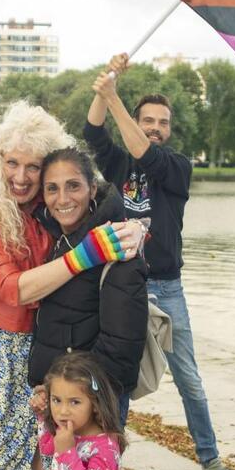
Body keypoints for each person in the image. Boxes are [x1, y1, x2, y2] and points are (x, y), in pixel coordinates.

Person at [0, 102, 144, 470]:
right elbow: (13, 289)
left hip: (57, 352)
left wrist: (135, 227)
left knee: (45, 455)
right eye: (12, 163)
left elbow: (91, 196)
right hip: (5, 345)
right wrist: (85, 256)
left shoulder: (49, 206)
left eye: (32, 167)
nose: (21, 177)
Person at [85, 54, 230, 470]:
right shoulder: (118, 164)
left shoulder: (176, 166)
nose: (155, 127)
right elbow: (92, 131)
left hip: (167, 287)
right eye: (147, 120)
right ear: (136, 119)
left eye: (163, 122)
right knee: (118, 379)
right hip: (124, 287)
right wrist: (106, 86)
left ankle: (210, 460)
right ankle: (109, 462)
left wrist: (113, 99)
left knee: (189, 380)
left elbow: (145, 153)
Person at [28, 147, 148, 427]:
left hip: (92, 407)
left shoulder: (117, 247)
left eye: (73, 186)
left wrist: (65, 390)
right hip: (62, 400)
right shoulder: (58, 237)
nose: (63, 199)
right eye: (52, 189)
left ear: (93, 189)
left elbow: (121, 351)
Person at [36, 351, 127, 470]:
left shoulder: (106, 448)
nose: (63, 411)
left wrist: (67, 452)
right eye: (56, 400)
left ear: (95, 404)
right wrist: (43, 413)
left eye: (74, 402)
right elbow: (46, 448)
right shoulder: (66, 430)